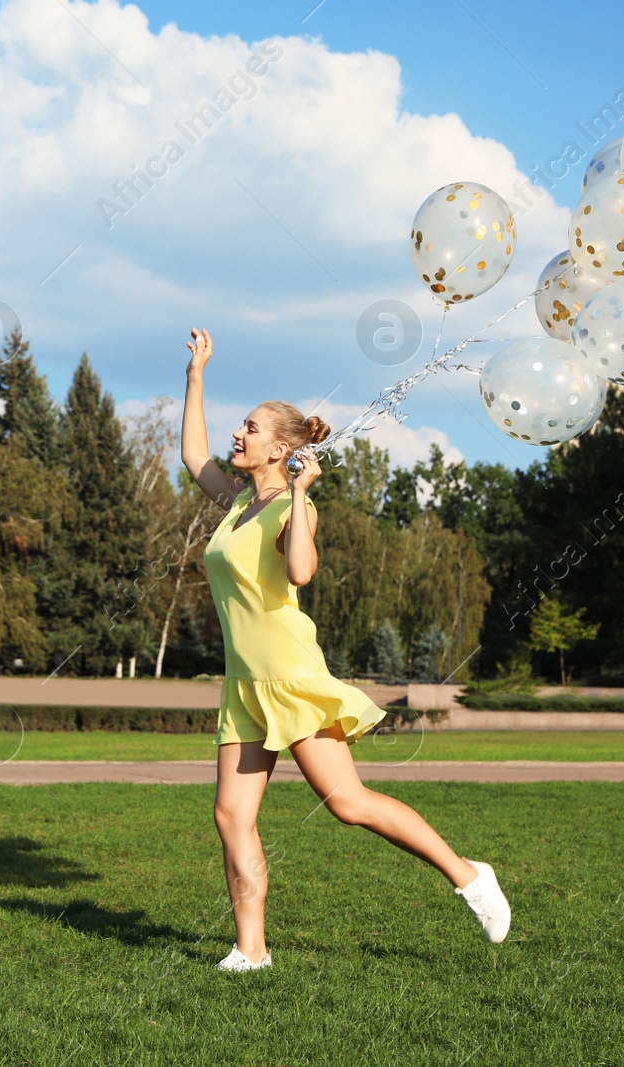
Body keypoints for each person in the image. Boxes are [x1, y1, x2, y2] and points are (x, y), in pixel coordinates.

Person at [179, 326, 511, 973]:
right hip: (244, 684)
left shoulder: (286, 509)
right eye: (239, 425)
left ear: (280, 447)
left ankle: (470, 874)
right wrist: (196, 374)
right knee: (230, 814)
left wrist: (302, 495)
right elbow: (195, 456)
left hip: (292, 678)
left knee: (347, 804)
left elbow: (301, 571)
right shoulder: (235, 505)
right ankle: (251, 949)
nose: (236, 434)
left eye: (249, 427)